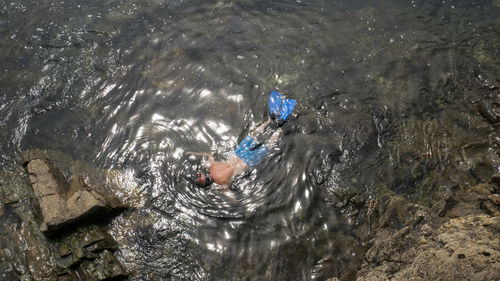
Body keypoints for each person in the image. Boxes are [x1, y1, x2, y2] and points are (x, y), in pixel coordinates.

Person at [189, 91, 296, 190]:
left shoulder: (222, 184)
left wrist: (232, 201)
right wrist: (192, 152)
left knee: (268, 145)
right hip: (239, 153)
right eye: (200, 175)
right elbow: (208, 155)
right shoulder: (211, 167)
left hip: (247, 162)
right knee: (253, 135)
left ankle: (279, 127)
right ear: (204, 175)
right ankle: (269, 120)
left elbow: (231, 197)